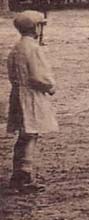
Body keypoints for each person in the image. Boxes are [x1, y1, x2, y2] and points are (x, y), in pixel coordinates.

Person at [6, 11, 58, 194]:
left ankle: (18, 173)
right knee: (31, 133)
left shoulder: (17, 47)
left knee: (24, 134)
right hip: (31, 95)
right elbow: (37, 76)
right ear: (34, 27)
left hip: (18, 94)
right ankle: (24, 176)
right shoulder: (34, 48)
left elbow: (12, 74)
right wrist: (50, 86)